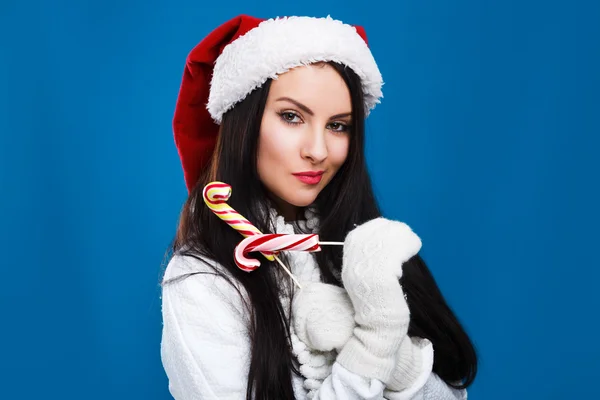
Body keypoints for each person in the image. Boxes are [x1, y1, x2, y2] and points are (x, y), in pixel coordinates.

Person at [160, 14, 477, 399]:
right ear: (243, 122)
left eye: (338, 125)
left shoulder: (364, 249)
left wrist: (401, 359)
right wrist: (372, 345)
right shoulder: (201, 281)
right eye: (292, 117)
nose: (318, 151)